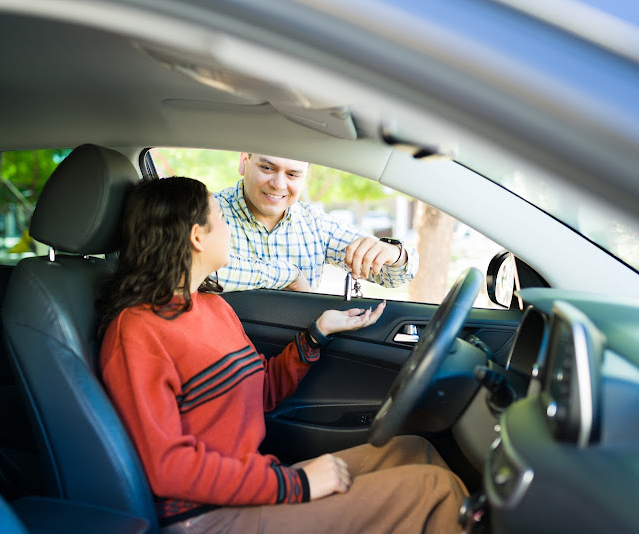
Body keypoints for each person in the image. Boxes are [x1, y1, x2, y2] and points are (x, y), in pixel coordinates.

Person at [99, 177, 467, 533]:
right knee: (437, 494)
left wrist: (318, 333)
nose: (229, 228)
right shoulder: (136, 331)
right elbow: (168, 467)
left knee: (413, 450)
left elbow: (261, 393)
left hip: (250, 485)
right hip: (208, 515)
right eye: (222, 220)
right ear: (197, 237)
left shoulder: (212, 306)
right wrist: (297, 484)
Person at [214, 153, 419, 292]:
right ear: (243, 161)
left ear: (304, 177)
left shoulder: (316, 225)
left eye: (292, 174)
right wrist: (290, 275)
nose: (278, 184)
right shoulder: (207, 212)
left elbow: (395, 277)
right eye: (267, 168)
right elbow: (195, 269)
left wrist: (395, 254)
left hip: (299, 351)